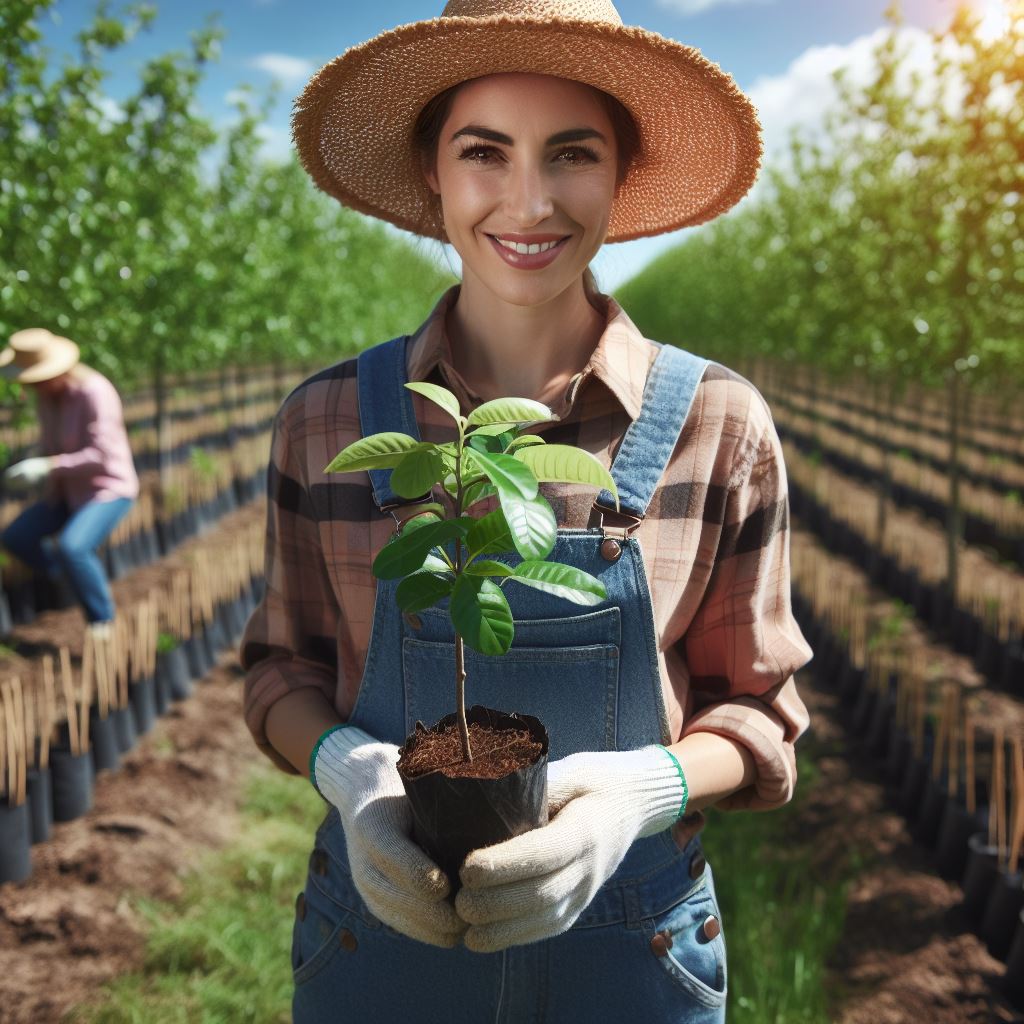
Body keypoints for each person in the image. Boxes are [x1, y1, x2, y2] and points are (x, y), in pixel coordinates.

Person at [241, 1, 813, 1020]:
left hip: (632, 950)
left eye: (571, 154)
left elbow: (759, 706)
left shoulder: (717, 422)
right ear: (433, 171)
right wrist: (352, 773)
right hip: (381, 940)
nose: (530, 200)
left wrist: (638, 795)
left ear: (619, 174)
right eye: (484, 152)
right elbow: (280, 666)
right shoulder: (326, 421)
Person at [0, 328, 138, 629]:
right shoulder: (47, 398)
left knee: (73, 547)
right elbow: (53, 445)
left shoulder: (95, 392)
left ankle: (102, 620)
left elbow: (100, 455)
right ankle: (67, 581)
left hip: (107, 489)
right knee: (15, 537)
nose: (31, 387)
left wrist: (49, 466)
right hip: (66, 493)